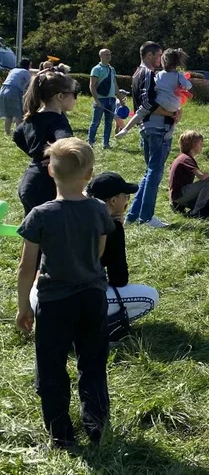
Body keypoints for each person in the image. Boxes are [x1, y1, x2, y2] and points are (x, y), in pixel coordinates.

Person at [16, 138, 113, 448]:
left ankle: (61, 433)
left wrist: (23, 308)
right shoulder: (99, 209)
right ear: (89, 174)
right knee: (93, 362)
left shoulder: (40, 215)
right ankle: (96, 424)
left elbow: (25, 267)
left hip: (54, 301)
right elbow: (99, 251)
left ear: (50, 173)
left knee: (51, 366)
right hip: (92, 297)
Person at [30, 172, 160, 333]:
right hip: (72, 300)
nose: (127, 200)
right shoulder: (112, 227)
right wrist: (118, 232)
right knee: (150, 297)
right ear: (113, 201)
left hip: (39, 299)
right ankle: (90, 330)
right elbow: (119, 279)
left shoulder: (63, 211)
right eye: (125, 196)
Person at [125, 42, 180, 229]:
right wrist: (170, 114)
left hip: (147, 128)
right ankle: (146, 217)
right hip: (156, 128)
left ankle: (133, 215)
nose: (161, 60)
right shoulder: (148, 74)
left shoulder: (136, 74)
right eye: (158, 56)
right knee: (154, 173)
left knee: (150, 172)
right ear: (149, 56)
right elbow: (147, 103)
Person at [13, 68, 77, 216]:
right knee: (51, 234)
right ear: (60, 96)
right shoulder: (57, 120)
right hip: (46, 186)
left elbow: (17, 135)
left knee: (32, 232)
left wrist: (38, 154)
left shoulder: (33, 116)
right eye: (74, 94)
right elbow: (65, 141)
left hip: (29, 181)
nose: (76, 99)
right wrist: (55, 156)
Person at [116, 48, 191, 139]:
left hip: (160, 101)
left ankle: (126, 129)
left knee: (141, 111)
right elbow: (188, 86)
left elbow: (155, 86)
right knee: (176, 114)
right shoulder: (179, 75)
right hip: (174, 104)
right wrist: (183, 85)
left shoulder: (159, 74)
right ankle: (170, 131)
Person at [169, 131, 209, 217]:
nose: (202, 146)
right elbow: (202, 177)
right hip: (180, 195)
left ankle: (180, 206)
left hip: (176, 196)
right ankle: (196, 212)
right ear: (192, 144)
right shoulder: (187, 159)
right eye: (200, 143)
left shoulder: (182, 157)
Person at [87, 49, 117, 149]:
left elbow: (115, 84)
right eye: (106, 55)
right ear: (101, 56)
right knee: (96, 122)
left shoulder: (112, 69)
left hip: (111, 99)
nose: (108, 56)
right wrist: (96, 100)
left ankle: (106, 143)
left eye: (109, 54)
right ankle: (90, 142)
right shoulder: (96, 69)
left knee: (109, 123)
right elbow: (92, 85)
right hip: (101, 99)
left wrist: (120, 98)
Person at [1, 58, 32, 136]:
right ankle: (18, 133)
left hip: (3, 89)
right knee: (19, 114)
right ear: (28, 65)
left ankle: (7, 132)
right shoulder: (25, 72)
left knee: (9, 114)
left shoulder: (13, 70)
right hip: (13, 91)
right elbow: (31, 84)